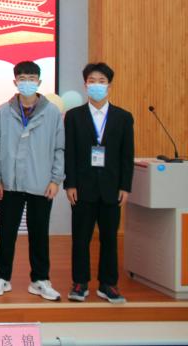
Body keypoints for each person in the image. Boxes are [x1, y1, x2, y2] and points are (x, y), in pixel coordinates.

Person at [0, 61, 64, 301]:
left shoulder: (52, 113)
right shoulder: (2, 112)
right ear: (15, 82)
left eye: (31, 78)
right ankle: (2, 277)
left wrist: (56, 180)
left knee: (39, 233)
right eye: (22, 78)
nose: (27, 82)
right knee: (6, 232)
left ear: (39, 82)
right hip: (10, 183)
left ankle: (40, 280)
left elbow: (59, 148)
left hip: (41, 183)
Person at [65, 62, 134, 304]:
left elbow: (127, 155)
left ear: (109, 86)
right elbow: (69, 153)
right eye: (92, 81)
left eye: (101, 81)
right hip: (82, 188)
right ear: (85, 85)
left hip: (111, 188)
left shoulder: (123, 117)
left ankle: (108, 284)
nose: (97, 85)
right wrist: (70, 184)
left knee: (109, 238)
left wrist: (125, 186)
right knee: (80, 238)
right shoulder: (74, 116)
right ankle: (80, 283)